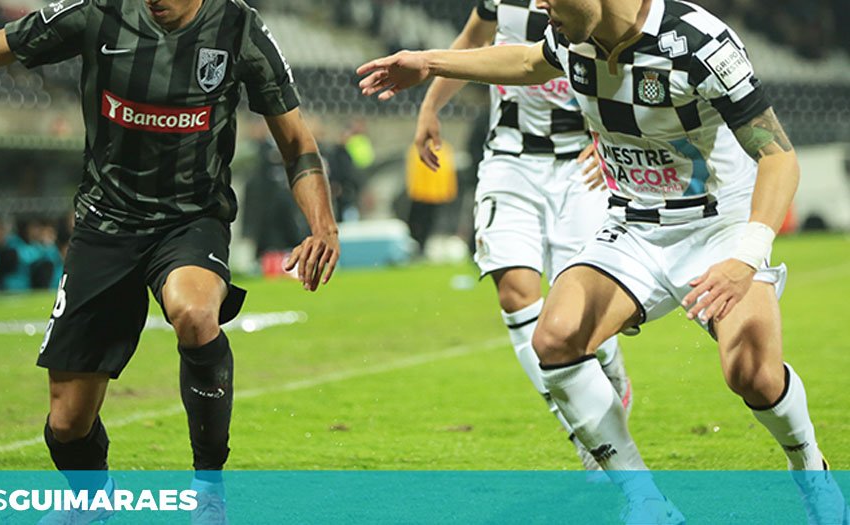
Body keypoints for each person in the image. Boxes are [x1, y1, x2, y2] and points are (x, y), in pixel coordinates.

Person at [0, 2, 341, 525]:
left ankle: (208, 493)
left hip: (191, 221)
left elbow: (295, 141)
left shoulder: (238, 27)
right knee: (67, 424)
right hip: (105, 226)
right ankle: (93, 498)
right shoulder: (99, 12)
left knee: (195, 313)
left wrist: (324, 226)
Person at [358, 0, 848, 522]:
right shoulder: (573, 36)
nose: (540, 5)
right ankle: (646, 500)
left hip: (717, 228)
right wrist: (428, 62)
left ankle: (809, 469)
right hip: (634, 226)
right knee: (554, 338)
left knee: (752, 374)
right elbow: (524, 62)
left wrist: (745, 258)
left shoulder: (699, 42)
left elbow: (778, 157)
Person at [411, 0, 631, 471]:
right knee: (515, 293)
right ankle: (583, 431)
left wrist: (617, 139)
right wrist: (430, 105)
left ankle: (610, 370)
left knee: (582, 311)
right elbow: (471, 42)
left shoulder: (594, 5)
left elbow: (629, 57)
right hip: (509, 159)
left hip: (580, 166)